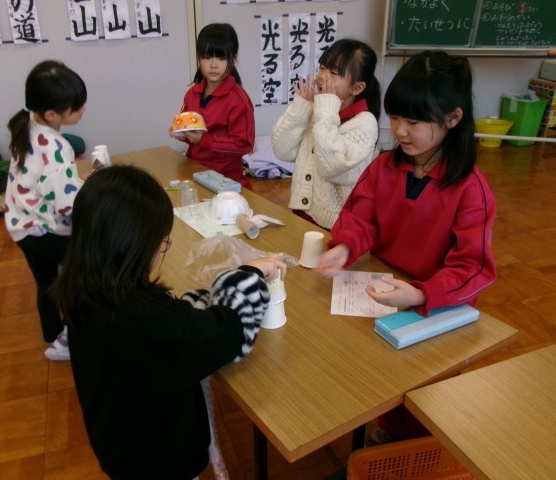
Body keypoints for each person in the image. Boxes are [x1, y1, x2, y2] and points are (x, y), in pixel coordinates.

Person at [52, 165, 286, 479]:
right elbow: (229, 334)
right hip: (159, 462)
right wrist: (249, 273)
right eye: (161, 242)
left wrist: (198, 303)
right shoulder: (140, 318)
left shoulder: (85, 288)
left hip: (119, 444)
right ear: (131, 246)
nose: (165, 247)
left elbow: (174, 323)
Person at [318, 51, 497, 443]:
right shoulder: (384, 167)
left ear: (453, 119)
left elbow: (472, 268)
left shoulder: (471, 190)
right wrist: (344, 247)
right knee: (380, 378)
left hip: (436, 306)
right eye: (395, 117)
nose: (399, 130)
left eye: (413, 122)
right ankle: (387, 432)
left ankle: (413, 446)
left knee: (424, 397)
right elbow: (362, 216)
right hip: (385, 292)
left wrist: (420, 293)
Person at [5, 60, 87, 361]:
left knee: (47, 284)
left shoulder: (27, 122)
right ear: (52, 114)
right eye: (76, 107)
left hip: (20, 223)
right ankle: (73, 338)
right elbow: (66, 203)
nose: (82, 110)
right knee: (81, 279)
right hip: (46, 229)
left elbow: (44, 180)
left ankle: (53, 337)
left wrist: (75, 181)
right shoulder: (56, 146)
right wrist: (90, 196)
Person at [271, 38, 381, 230]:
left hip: (335, 225)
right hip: (301, 213)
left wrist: (326, 110)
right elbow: (282, 151)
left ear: (357, 88)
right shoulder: (319, 111)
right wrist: (301, 108)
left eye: (334, 73)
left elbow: (330, 167)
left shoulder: (364, 123)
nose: (321, 76)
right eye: (322, 68)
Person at [171, 23, 255, 190]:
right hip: (194, 171)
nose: (214, 65)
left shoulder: (238, 100)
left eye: (221, 58)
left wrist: (203, 140)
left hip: (226, 180)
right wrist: (183, 134)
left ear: (233, 59)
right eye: (207, 57)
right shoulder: (192, 94)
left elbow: (244, 145)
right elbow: (194, 133)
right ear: (199, 58)